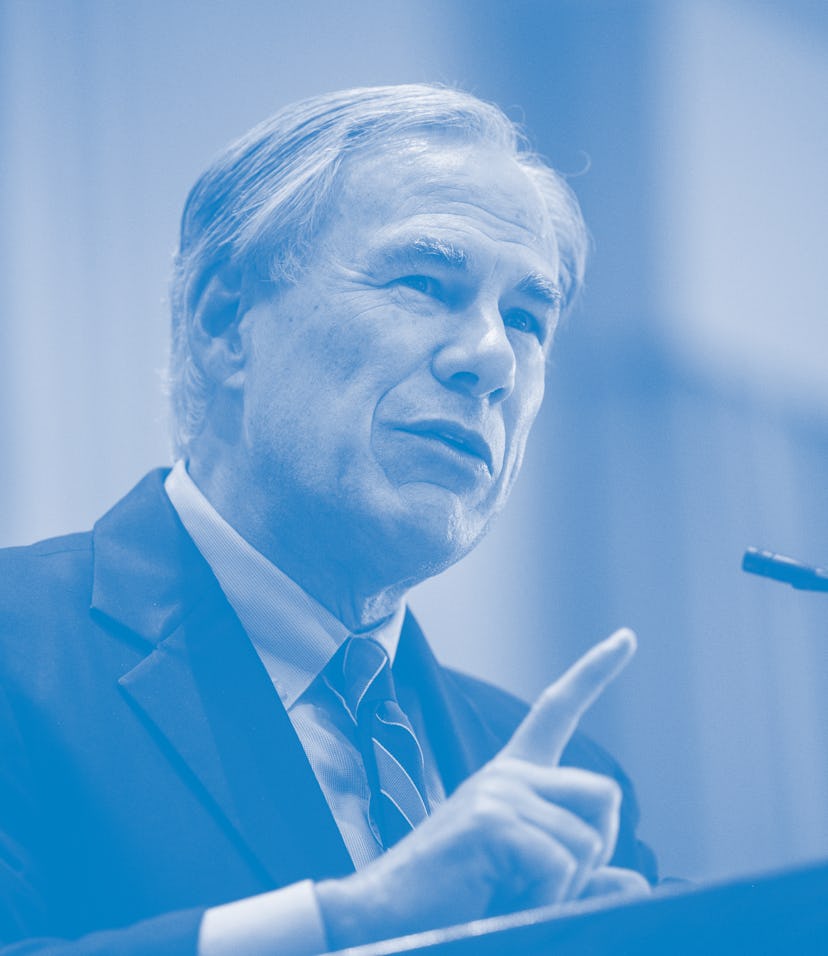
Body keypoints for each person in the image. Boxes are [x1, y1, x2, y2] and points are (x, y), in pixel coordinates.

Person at [0, 84, 656, 955]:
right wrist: (352, 925)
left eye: (528, 319)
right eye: (427, 282)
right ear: (224, 321)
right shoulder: (20, 651)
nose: (492, 359)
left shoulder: (568, 785)